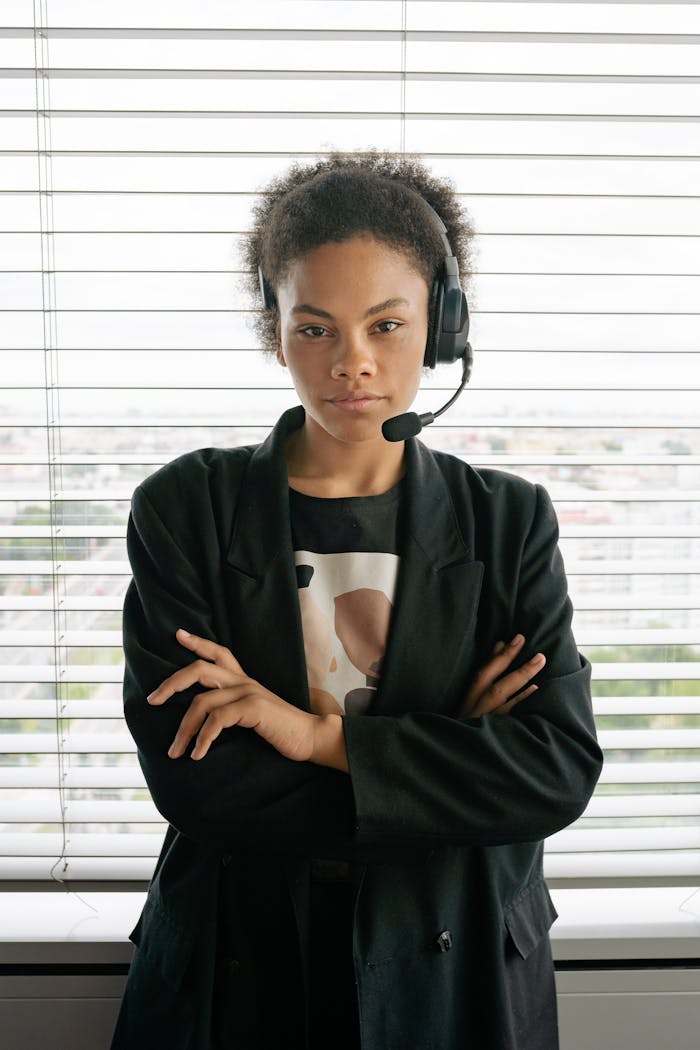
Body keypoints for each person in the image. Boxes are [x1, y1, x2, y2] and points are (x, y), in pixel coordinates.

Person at [111, 151, 603, 1050]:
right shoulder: (184, 509)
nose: (353, 365)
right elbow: (201, 781)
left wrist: (313, 738)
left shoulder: (508, 522)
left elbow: (554, 770)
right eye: (315, 329)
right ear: (275, 330)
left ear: (441, 325)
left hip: (454, 970)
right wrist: (449, 753)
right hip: (240, 961)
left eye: (386, 324)